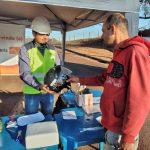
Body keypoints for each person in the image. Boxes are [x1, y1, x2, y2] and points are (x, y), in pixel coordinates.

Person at [67, 13, 150, 150]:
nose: (101, 36)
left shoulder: (135, 52)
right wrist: (79, 79)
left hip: (121, 133)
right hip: (111, 127)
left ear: (112, 29)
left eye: (103, 31)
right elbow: (104, 78)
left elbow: (140, 99)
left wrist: (128, 137)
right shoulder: (119, 53)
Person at [19, 16, 60, 119]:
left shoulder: (53, 49)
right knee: (31, 119)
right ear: (33, 33)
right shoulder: (25, 49)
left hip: (49, 91)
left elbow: (58, 69)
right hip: (32, 91)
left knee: (48, 116)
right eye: (42, 34)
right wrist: (39, 85)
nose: (45, 37)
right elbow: (24, 73)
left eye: (47, 34)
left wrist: (59, 84)